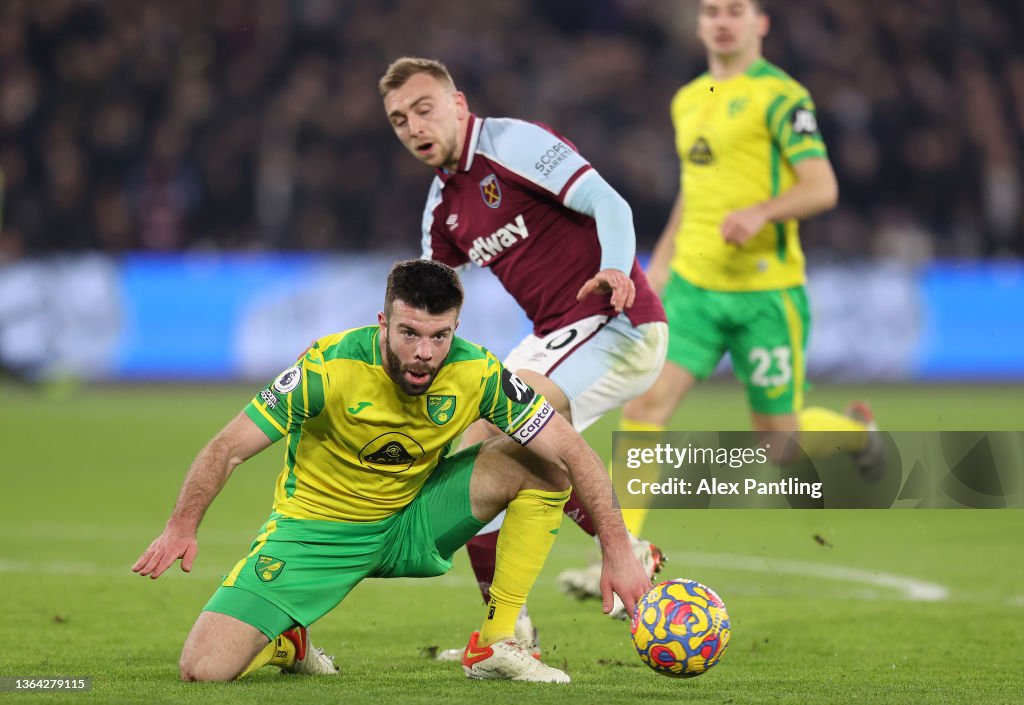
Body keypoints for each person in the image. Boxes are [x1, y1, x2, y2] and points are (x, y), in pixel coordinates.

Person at [132, 259, 651, 684]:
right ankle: (288, 643)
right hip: (316, 536)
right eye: (409, 333)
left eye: (439, 336)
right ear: (383, 323)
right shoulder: (327, 369)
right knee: (202, 670)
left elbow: (572, 450)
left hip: (412, 519)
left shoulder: (476, 370)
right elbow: (227, 448)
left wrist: (617, 548)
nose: (424, 354)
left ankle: (496, 642)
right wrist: (182, 524)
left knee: (541, 462)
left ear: (456, 330)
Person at [558, 0, 884, 575]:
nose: (722, 20)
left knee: (778, 445)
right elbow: (694, 190)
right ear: (700, 25)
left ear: (761, 24)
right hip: (694, 288)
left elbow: (821, 186)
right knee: (646, 403)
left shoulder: (783, 97)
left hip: (766, 293)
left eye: (735, 10)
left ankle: (856, 434)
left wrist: (762, 212)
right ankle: (622, 551)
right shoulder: (688, 100)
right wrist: (658, 262)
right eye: (711, 11)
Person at [379, 57, 670, 641]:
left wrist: (615, 266)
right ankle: (509, 632)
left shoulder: (511, 144)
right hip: (554, 337)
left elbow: (612, 205)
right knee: (469, 462)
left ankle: (619, 552)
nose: (413, 126)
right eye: (399, 119)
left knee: (507, 425)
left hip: (616, 321)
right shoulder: (442, 208)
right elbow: (432, 301)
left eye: (423, 109)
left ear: (457, 104)